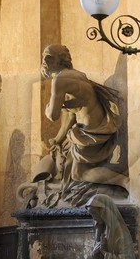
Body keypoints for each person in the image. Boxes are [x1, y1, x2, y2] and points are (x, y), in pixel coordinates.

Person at [28, 44, 128, 205]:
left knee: (79, 173)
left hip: (90, 131)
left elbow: (52, 115)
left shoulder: (60, 80)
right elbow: (71, 115)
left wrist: (48, 107)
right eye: (44, 57)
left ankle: (124, 182)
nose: (44, 61)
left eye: (49, 57)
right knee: (67, 163)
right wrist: (58, 139)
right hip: (86, 128)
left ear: (61, 60)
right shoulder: (75, 75)